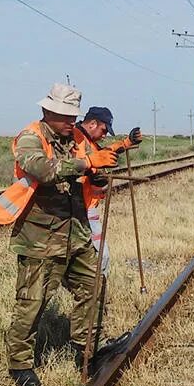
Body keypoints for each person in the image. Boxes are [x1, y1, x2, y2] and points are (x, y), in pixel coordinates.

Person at [0, 84, 120, 386]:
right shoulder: (31, 137)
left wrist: (97, 174)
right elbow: (43, 170)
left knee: (94, 285)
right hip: (40, 237)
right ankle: (20, 363)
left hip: (76, 232)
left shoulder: (76, 140)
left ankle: (87, 352)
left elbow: (89, 173)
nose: (72, 121)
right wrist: (87, 164)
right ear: (48, 112)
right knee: (32, 303)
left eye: (74, 116)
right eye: (66, 116)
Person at [73, 106, 144, 273]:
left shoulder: (87, 140)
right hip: (80, 210)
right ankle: (96, 294)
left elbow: (103, 153)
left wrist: (126, 143)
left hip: (88, 208)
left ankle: (95, 293)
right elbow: (78, 164)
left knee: (97, 257)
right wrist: (93, 174)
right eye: (103, 130)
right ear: (92, 124)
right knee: (100, 258)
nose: (104, 135)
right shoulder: (77, 140)